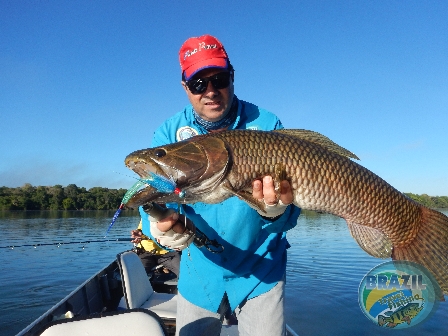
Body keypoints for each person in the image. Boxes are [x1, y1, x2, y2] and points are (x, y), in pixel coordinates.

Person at [139, 35, 301, 336]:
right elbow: (152, 203)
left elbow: (291, 215)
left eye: (220, 79)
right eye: (199, 84)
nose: (211, 91)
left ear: (232, 77)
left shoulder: (267, 124)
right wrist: (158, 229)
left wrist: (277, 213)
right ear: (185, 87)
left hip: (261, 272)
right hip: (200, 273)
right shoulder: (168, 133)